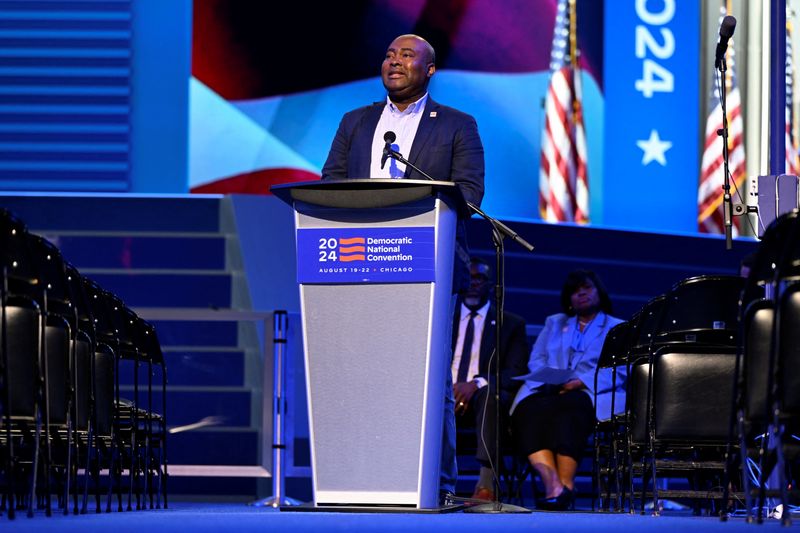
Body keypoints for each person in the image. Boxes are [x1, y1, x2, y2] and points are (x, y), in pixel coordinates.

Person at [321, 34, 485, 502]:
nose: (394, 62)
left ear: (429, 70)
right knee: (359, 374)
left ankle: (438, 484)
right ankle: (357, 479)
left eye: (407, 56)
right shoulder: (356, 121)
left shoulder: (457, 124)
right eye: (390, 55)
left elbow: (469, 194)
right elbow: (331, 183)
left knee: (428, 380)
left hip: (425, 263)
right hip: (355, 264)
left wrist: (408, 211)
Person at [510, 270, 623, 510]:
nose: (581, 293)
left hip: (587, 391)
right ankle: (555, 486)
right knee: (527, 409)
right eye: (574, 291)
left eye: (587, 288)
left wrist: (582, 381)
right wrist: (551, 377)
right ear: (568, 299)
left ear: (599, 292)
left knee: (570, 408)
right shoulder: (555, 323)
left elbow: (621, 369)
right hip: (548, 388)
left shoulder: (616, 328)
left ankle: (564, 485)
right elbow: (537, 358)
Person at [452, 257, 528, 501]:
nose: (474, 283)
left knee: (490, 396)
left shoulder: (510, 324)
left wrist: (475, 384)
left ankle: (486, 486)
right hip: (444, 393)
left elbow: (515, 372)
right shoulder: (441, 315)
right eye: (469, 278)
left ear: (490, 284)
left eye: (480, 278)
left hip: (482, 397)